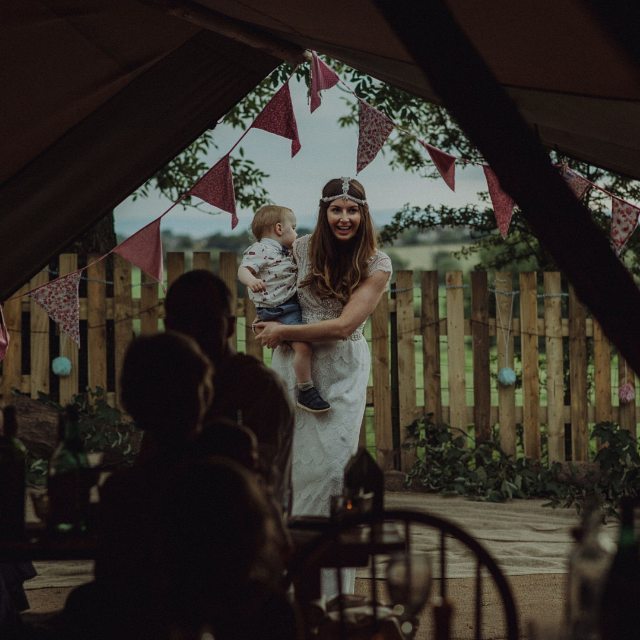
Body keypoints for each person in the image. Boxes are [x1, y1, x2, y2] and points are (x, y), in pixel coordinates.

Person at [254, 176, 392, 522]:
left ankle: (328, 564)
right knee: (287, 468)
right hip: (294, 361)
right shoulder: (300, 248)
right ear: (324, 212)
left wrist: (284, 329)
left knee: (333, 471)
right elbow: (272, 282)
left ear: (363, 215)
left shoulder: (377, 264)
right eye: (336, 210)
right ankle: (291, 566)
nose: (344, 217)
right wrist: (267, 314)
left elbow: (345, 327)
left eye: (351, 210)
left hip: (342, 367)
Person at [164, 270, 294, 513]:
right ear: (168, 326)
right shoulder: (171, 384)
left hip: (251, 531)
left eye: (206, 321)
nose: (194, 331)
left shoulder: (259, 386)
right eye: (183, 321)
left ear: (230, 326)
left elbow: (257, 481)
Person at [238, 205, 330, 414]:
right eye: (294, 228)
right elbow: (243, 269)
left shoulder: (289, 251)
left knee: (297, 347)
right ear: (280, 228)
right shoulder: (260, 248)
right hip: (275, 309)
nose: (296, 233)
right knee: (303, 347)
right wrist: (251, 280)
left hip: (288, 306)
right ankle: (306, 389)